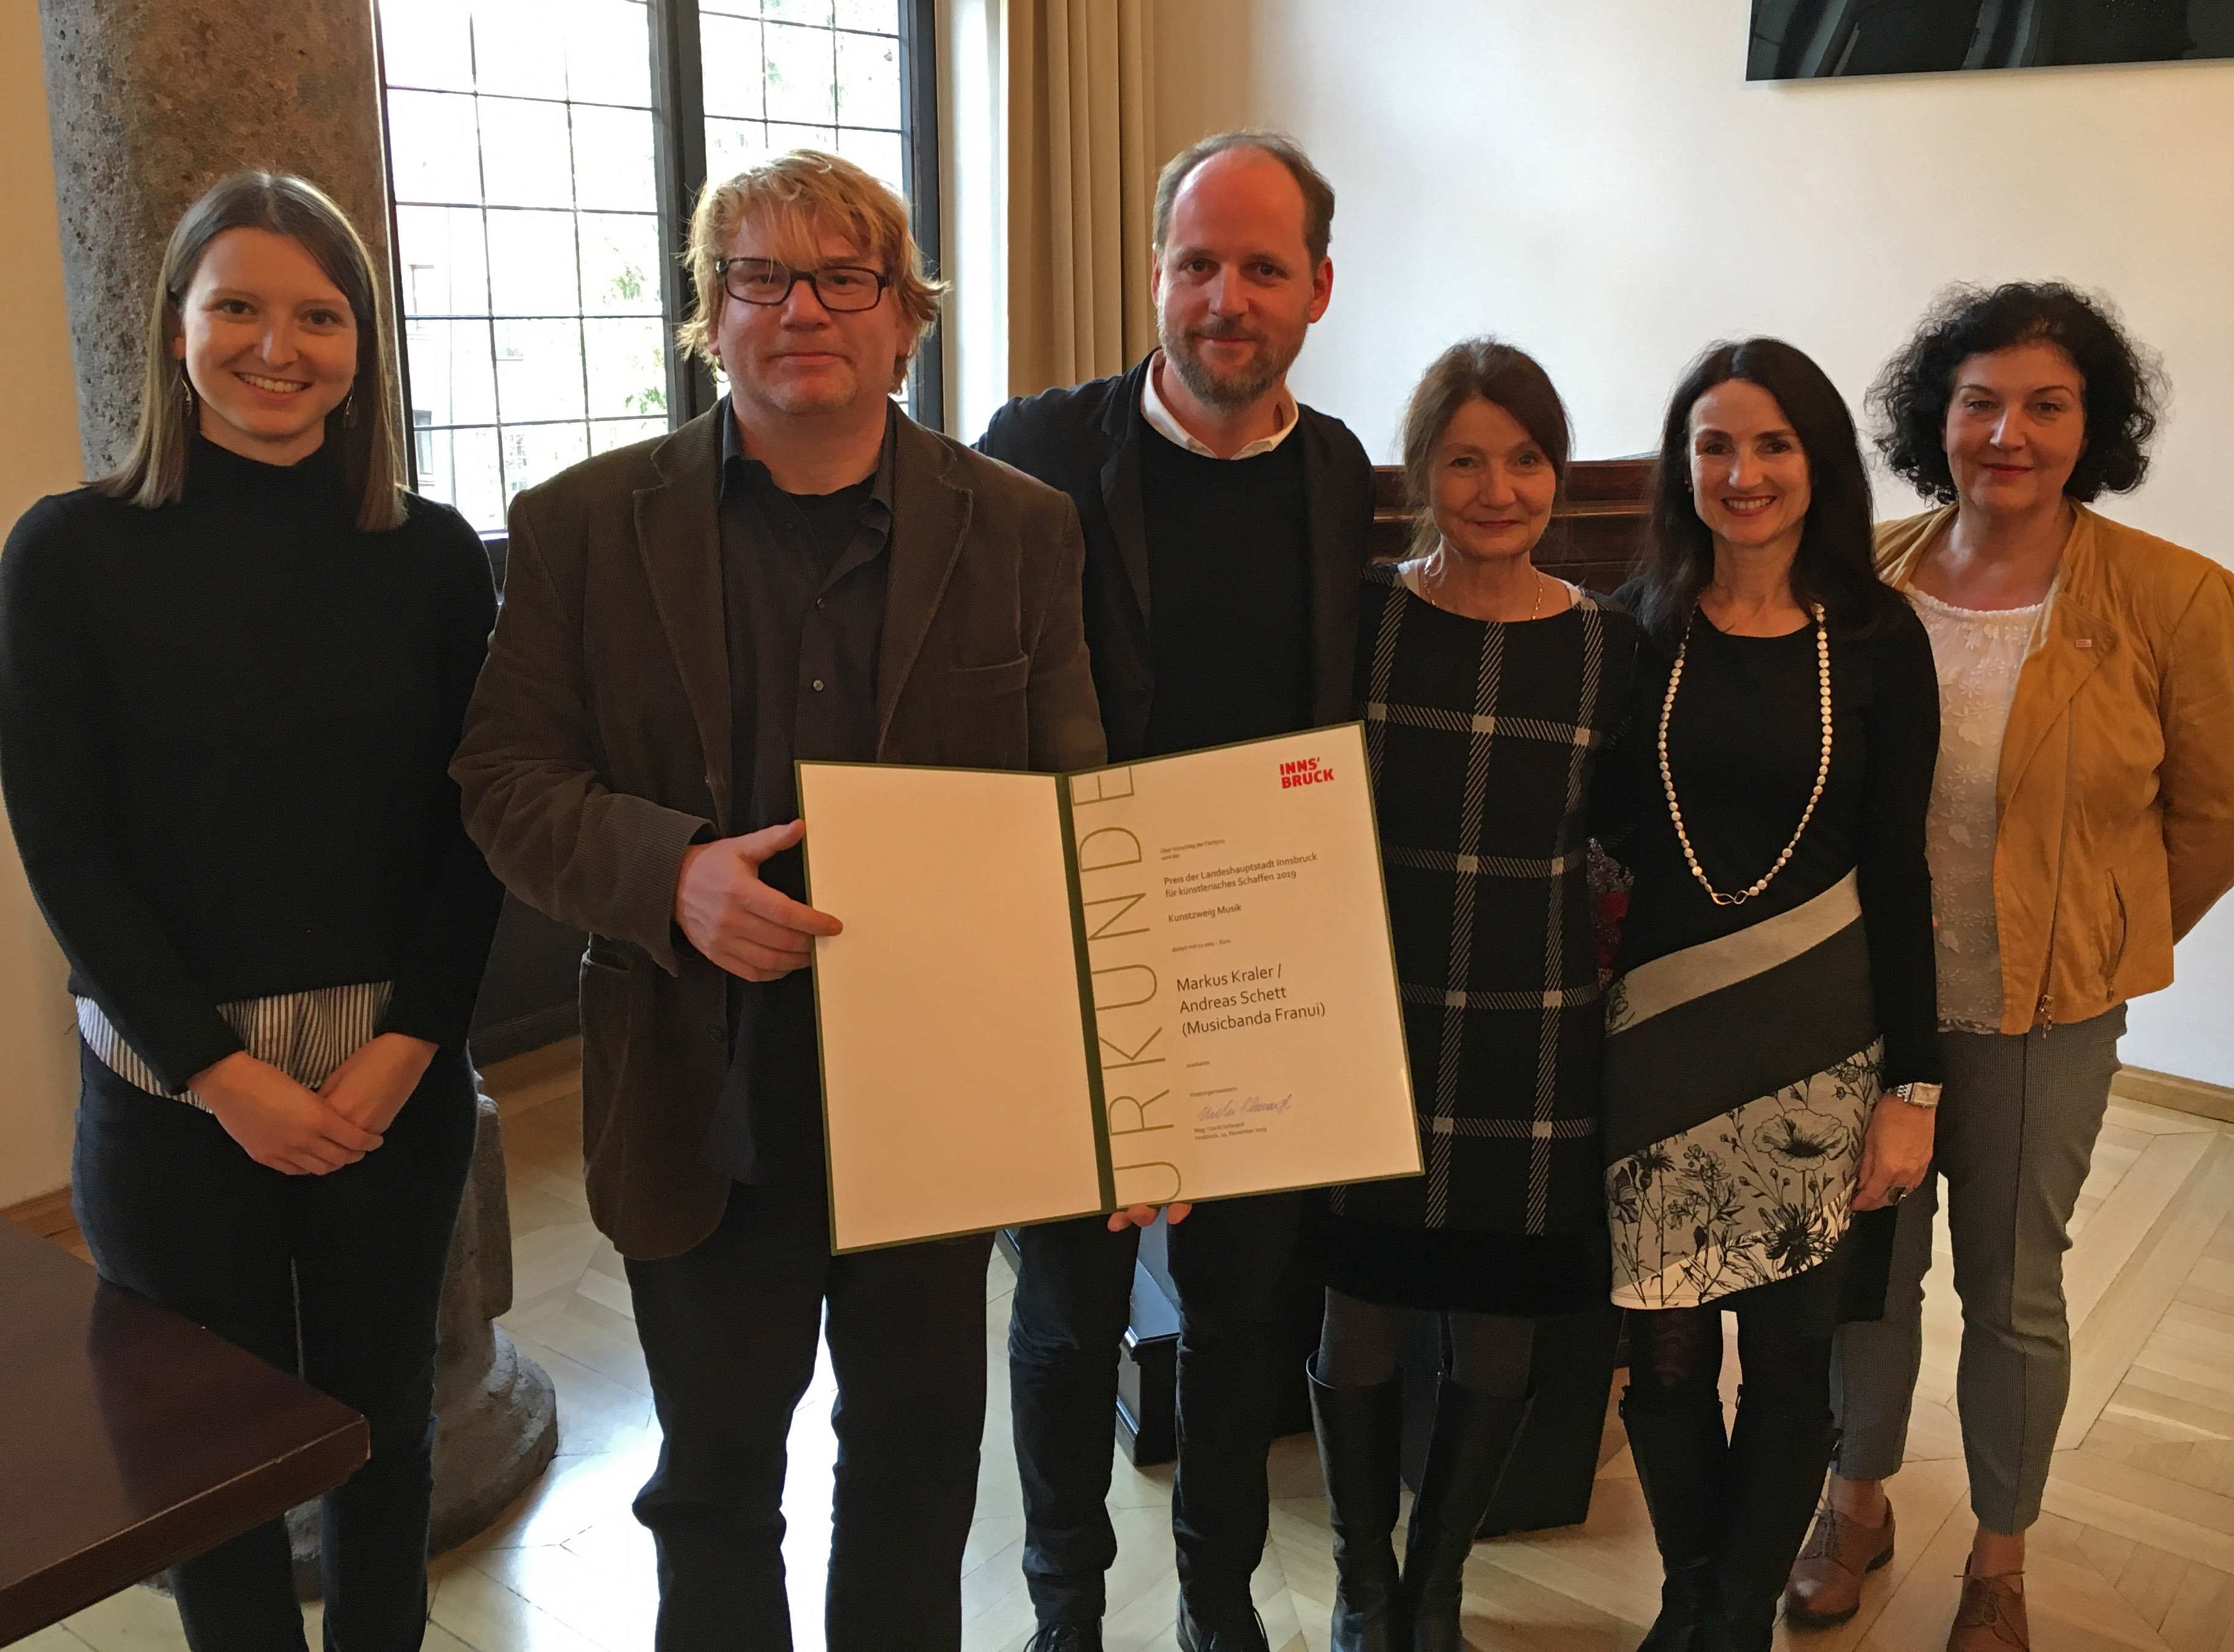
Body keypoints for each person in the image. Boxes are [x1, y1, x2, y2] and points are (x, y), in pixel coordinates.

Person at [452, 148, 1107, 1651]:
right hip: (702, 1095)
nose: (800, 306)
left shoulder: (1022, 529)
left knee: (920, 1468)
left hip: (937, 1112)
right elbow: (501, 777)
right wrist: (668, 877)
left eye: (843, 277)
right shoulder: (580, 528)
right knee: (718, 1483)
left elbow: (1076, 814)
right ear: (711, 314)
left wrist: (1124, 1093)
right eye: (760, 276)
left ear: (903, 318)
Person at [0, 172, 502, 1651]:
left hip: (387, 1079)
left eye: (319, 314)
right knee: (208, 1472)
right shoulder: (67, 553)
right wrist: (221, 1082)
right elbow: (66, 845)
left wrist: (409, 1050)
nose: (277, 346)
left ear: (362, 346)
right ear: (176, 328)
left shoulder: (427, 555)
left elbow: (466, 831)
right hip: (170, 1090)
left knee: (379, 1430)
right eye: (238, 307)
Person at [1789, 284, 2234, 1652]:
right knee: (1866, 1273)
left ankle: (1998, 1559)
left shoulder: (2176, 597)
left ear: (2091, 428)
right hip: (1866, 1003)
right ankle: (1856, 1498)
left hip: (2041, 1013)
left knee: (2013, 1286)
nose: (2009, 432)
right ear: (1934, 417)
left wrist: (2106, 934)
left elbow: (2224, 810)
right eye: (1980, 401)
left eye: (2046, 406)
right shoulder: (1862, 579)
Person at [979, 130, 1373, 1652]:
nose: (1225, 297)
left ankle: (1219, 1604)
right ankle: (1063, 1611)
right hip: (1080, 968)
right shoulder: (1035, 447)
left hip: (1265, 974)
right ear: (1155, 273)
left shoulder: (1338, 472)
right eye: (1196, 262)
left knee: (1242, 1312)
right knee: (1071, 1319)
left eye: (1262, 267)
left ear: (1318, 289)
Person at [1596, 339, 1941, 1652]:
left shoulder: (1877, 635)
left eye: (1773, 445)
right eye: (1714, 446)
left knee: (1793, 1358)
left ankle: (1726, 1617)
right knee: (1669, 1359)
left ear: (1820, 464)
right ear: (1682, 466)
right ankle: (1704, 1599)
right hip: (1661, 1052)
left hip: (1825, 1049)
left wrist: (1913, 1088)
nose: (1742, 475)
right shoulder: (1633, 629)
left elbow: (1902, 870)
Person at [1306, 339, 1639, 1652]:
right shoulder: (1366, 616)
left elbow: (1631, 845)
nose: (1497, 489)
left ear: (1555, 473)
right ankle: (1360, 1582)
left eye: (1525, 460)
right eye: (1465, 459)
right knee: (1360, 1311)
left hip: (1531, 1028)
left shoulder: (1612, 644)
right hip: (1370, 1011)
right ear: (1421, 470)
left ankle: (1437, 1582)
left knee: (1497, 1343)